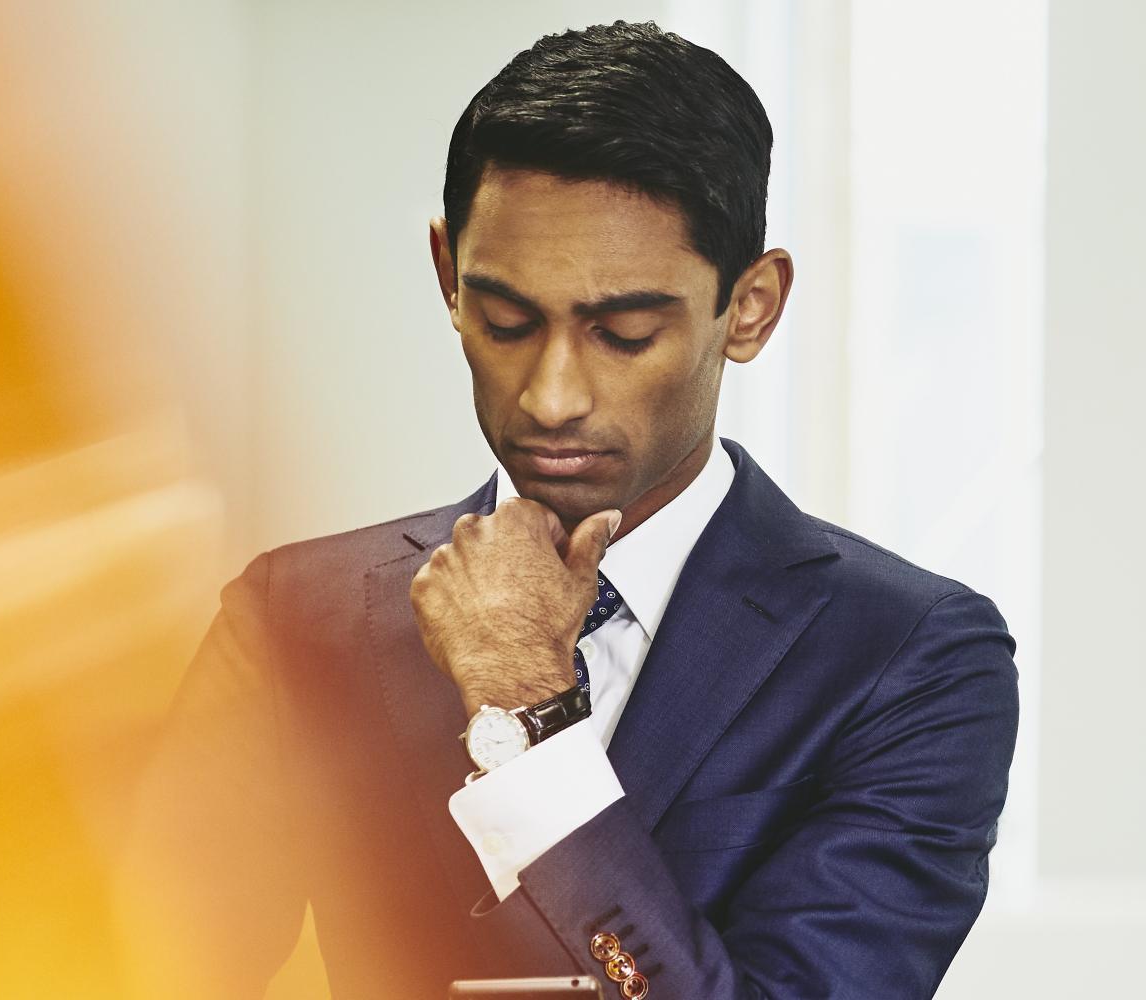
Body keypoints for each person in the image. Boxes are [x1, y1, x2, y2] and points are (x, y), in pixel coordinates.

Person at [116, 22, 1019, 1000]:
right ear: (449, 278)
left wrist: (529, 720)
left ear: (750, 307)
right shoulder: (296, 614)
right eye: (506, 322)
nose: (550, 396)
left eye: (623, 333)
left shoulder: (909, 658)